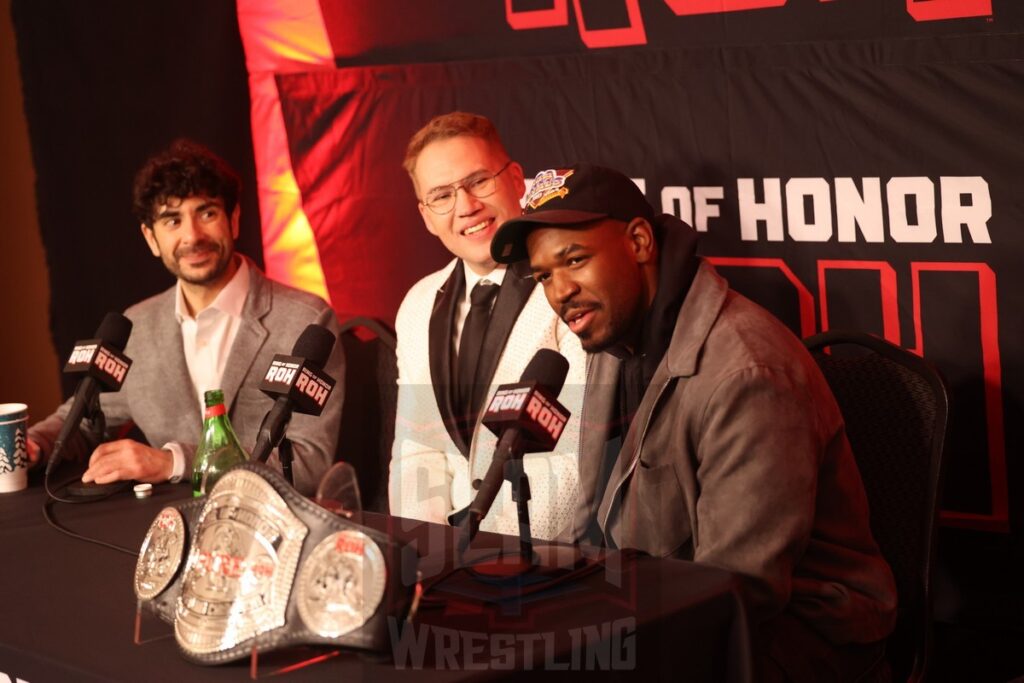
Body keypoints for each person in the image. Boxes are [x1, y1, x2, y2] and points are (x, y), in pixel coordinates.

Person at [491, 163, 897, 679]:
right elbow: (590, 521)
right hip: (660, 610)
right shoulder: (613, 341)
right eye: (544, 274)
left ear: (639, 242)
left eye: (575, 259)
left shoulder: (747, 371)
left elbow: (739, 590)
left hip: (799, 638)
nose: (559, 290)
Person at [28, 139, 344, 496]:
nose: (192, 236)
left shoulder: (306, 320)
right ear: (151, 238)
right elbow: (84, 420)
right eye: (172, 220)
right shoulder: (138, 326)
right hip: (160, 530)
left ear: (234, 219)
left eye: (206, 213)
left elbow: (310, 465)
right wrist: (33, 443)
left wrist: (174, 462)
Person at [389, 112, 585, 540]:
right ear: (425, 214)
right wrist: (426, 552)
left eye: (478, 181)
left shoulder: (572, 288)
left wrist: (491, 555)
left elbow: (574, 455)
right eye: (441, 195)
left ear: (517, 180)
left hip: (543, 554)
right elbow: (416, 447)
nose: (466, 207)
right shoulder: (418, 303)